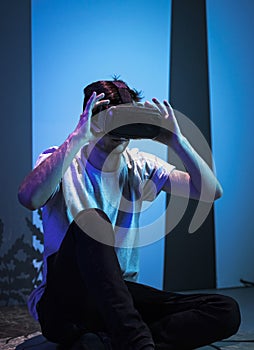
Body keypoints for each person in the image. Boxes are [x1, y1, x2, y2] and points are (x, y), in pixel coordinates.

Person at [18, 79, 240, 350]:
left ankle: (108, 342)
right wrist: (78, 137)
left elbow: (210, 191)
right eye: (114, 118)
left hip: (118, 298)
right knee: (92, 220)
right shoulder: (63, 160)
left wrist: (176, 141)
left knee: (224, 310)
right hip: (65, 301)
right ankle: (137, 344)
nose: (120, 128)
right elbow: (29, 198)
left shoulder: (139, 165)